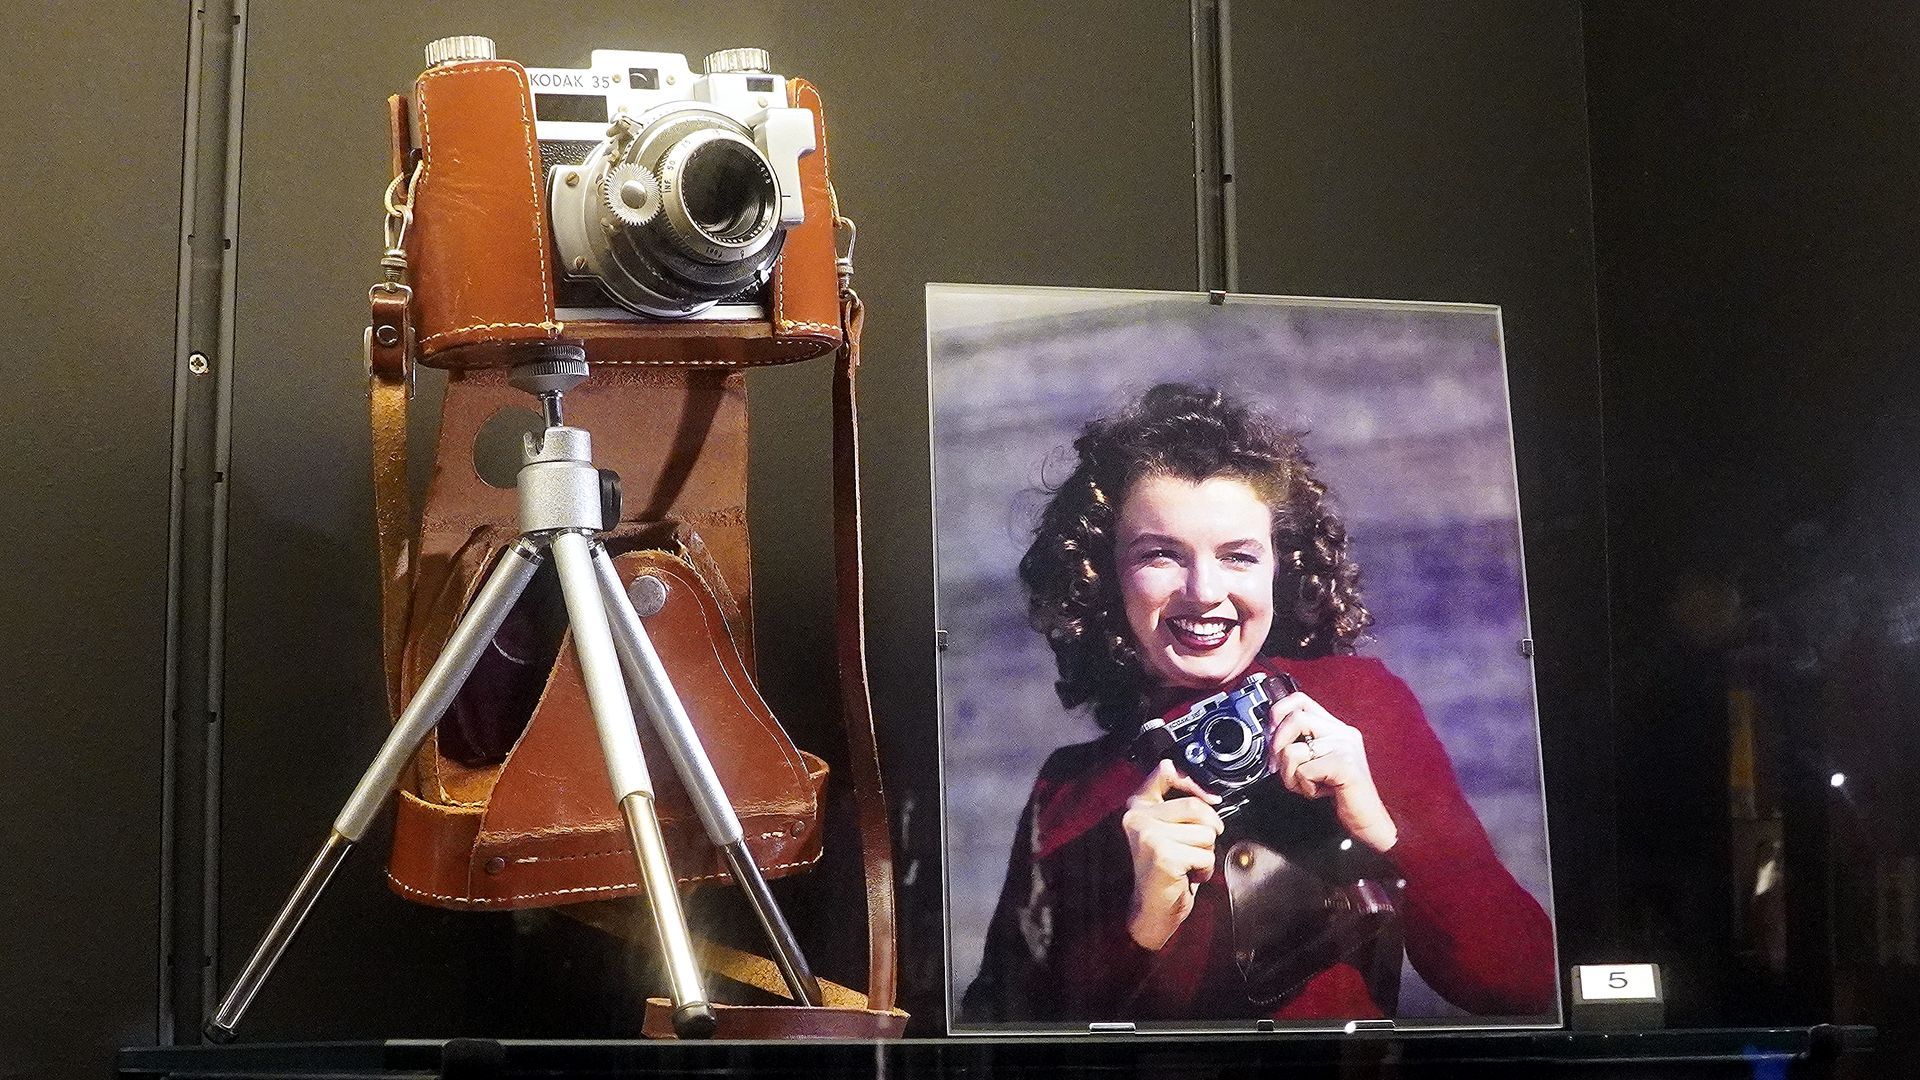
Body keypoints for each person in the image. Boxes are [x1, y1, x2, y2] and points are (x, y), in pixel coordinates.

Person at [959, 383, 1555, 1024]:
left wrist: (1383, 831)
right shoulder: (1069, 794)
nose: (1203, 591)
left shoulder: (1353, 708)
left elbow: (1523, 983)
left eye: (1239, 556)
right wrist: (1142, 928)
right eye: (1160, 555)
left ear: (1281, 568)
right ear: (1105, 575)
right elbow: (1000, 1034)